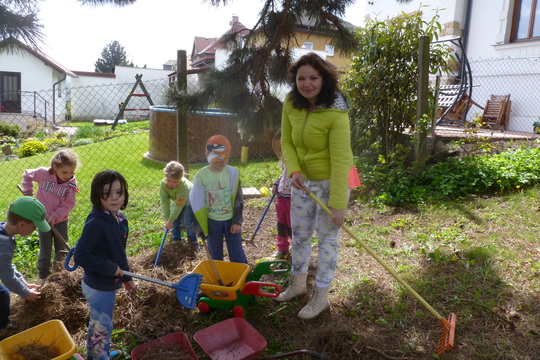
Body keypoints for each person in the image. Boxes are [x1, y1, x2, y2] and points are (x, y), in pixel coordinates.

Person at [275, 52, 355, 320]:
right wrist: (294, 170)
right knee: (299, 234)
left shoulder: (335, 110)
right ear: (294, 81)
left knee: (327, 238)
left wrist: (338, 205)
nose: (307, 83)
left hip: (332, 181)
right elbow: (287, 141)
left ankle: (321, 296)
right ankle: (298, 284)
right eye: (301, 78)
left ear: (324, 79)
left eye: (313, 77)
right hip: (302, 182)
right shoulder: (291, 103)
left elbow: (342, 159)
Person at [74, 170, 135, 360]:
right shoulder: (97, 223)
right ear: (96, 195)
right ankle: (100, 356)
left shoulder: (118, 218)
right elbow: (81, 256)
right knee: (102, 324)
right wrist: (110, 269)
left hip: (107, 282)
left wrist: (126, 278)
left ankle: (97, 353)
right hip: (98, 285)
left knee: (99, 322)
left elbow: (118, 253)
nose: (114, 198)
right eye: (106, 193)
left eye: (119, 192)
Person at [21, 149, 79, 280]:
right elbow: (27, 175)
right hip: (42, 220)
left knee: (61, 249)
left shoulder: (71, 183)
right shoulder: (43, 173)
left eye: (71, 172)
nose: (68, 175)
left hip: (61, 220)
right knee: (45, 249)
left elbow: (69, 204)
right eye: (65, 172)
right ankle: (43, 276)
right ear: (55, 167)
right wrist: (28, 195)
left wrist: (55, 216)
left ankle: (59, 275)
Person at [189, 135, 248, 264]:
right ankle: (219, 278)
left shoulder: (232, 174)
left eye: (225, 159)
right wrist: (197, 225)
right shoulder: (201, 176)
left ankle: (243, 276)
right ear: (208, 156)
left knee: (236, 251)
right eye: (218, 160)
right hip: (212, 222)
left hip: (231, 220)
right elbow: (195, 202)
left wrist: (237, 221)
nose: (222, 162)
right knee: (215, 254)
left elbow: (238, 199)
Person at [0, 196, 51, 338]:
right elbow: (6, 277)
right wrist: (25, 293)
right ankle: (2, 329)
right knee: (3, 294)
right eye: (34, 226)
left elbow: (8, 267)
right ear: (22, 224)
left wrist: (24, 284)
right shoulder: (3, 246)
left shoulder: (4, 232)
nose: (35, 230)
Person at [159, 161, 198, 245]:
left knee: (188, 222)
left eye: (175, 181)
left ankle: (193, 241)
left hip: (189, 202)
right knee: (175, 222)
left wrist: (171, 219)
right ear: (165, 176)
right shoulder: (163, 185)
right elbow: (164, 201)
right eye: (169, 180)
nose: (171, 184)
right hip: (178, 202)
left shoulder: (184, 186)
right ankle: (176, 240)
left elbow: (179, 205)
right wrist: (167, 219)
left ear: (181, 178)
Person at [271, 130, 292, 260]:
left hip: (293, 200)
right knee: (281, 225)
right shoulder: (285, 162)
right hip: (281, 198)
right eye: (279, 150)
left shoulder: (297, 162)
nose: (282, 153)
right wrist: (276, 183)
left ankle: (299, 250)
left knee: (292, 227)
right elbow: (283, 175)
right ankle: (282, 249)